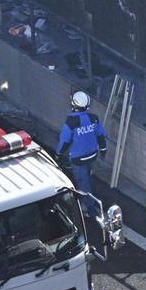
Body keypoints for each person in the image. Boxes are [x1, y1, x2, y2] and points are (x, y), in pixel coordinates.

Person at [56, 91, 108, 219]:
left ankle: (91, 210)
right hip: (92, 155)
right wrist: (103, 150)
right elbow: (101, 135)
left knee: (82, 184)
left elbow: (65, 141)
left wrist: (58, 154)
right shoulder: (93, 118)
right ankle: (91, 199)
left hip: (78, 160)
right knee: (87, 177)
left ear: (74, 104)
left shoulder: (71, 122)